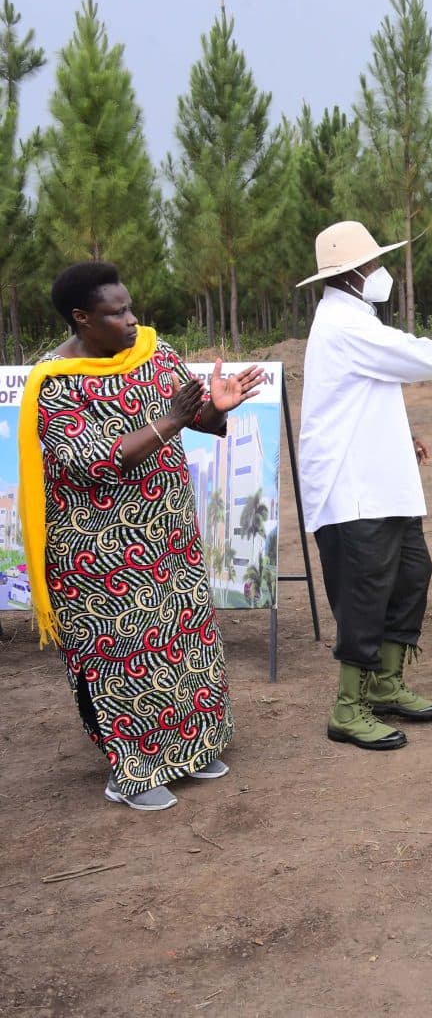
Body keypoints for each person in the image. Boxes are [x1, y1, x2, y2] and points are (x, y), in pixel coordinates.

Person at [19, 261, 264, 810]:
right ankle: (130, 773)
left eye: (131, 307)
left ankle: (193, 749)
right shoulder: (53, 385)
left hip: (169, 537)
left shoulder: (155, 353)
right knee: (124, 655)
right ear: (82, 318)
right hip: (98, 554)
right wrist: (174, 421)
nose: (132, 321)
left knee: (185, 641)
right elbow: (90, 462)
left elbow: (189, 411)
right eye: (117, 313)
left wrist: (214, 410)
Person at [297, 221, 432, 750]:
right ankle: (347, 708)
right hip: (352, 487)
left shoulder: (353, 318)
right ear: (351, 275)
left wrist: (400, 433)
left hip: (380, 478)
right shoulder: (346, 325)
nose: (380, 272)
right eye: (373, 265)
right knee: (366, 594)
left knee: (411, 573)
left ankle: (385, 686)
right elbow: (428, 358)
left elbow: (366, 389)